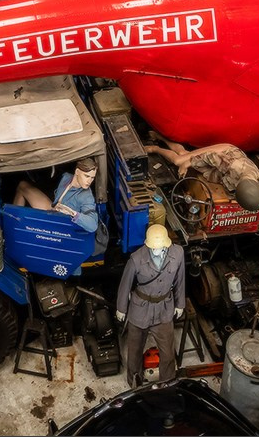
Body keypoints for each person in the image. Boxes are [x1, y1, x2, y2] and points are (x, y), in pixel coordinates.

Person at [116, 224, 185, 388]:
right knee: (134, 352)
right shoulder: (136, 259)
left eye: (160, 247)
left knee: (168, 353)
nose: (156, 250)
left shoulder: (178, 253)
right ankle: (134, 384)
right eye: (153, 247)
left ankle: (167, 384)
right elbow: (125, 285)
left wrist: (180, 303)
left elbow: (180, 280)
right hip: (140, 309)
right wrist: (121, 308)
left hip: (164, 309)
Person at [13, 158, 99, 233]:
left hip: (60, 221)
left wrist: (73, 213)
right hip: (52, 208)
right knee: (22, 185)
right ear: (77, 172)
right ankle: (13, 223)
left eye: (92, 178)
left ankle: (14, 228)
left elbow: (93, 225)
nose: (89, 181)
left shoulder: (87, 196)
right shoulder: (66, 177)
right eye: (87, 176)